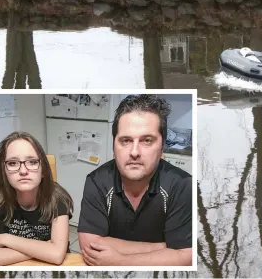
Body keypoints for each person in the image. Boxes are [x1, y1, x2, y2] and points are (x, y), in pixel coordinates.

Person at [77, 94, 192, 266]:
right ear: (114, 146)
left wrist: (121, 260)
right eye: (126, 140)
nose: (134, 152)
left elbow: (187, 257)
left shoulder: (182, 185)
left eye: (147, 140)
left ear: (162, 147)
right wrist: (165, 248)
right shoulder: (97, 181)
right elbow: (91, 246)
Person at [0, 132, 74, 266]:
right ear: (4, 171)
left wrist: (6, 239)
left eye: (32, 162)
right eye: (13, 163)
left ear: (43, 170)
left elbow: (57, 255)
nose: (23, 170)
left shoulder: (56, 197)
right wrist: (43, 249)